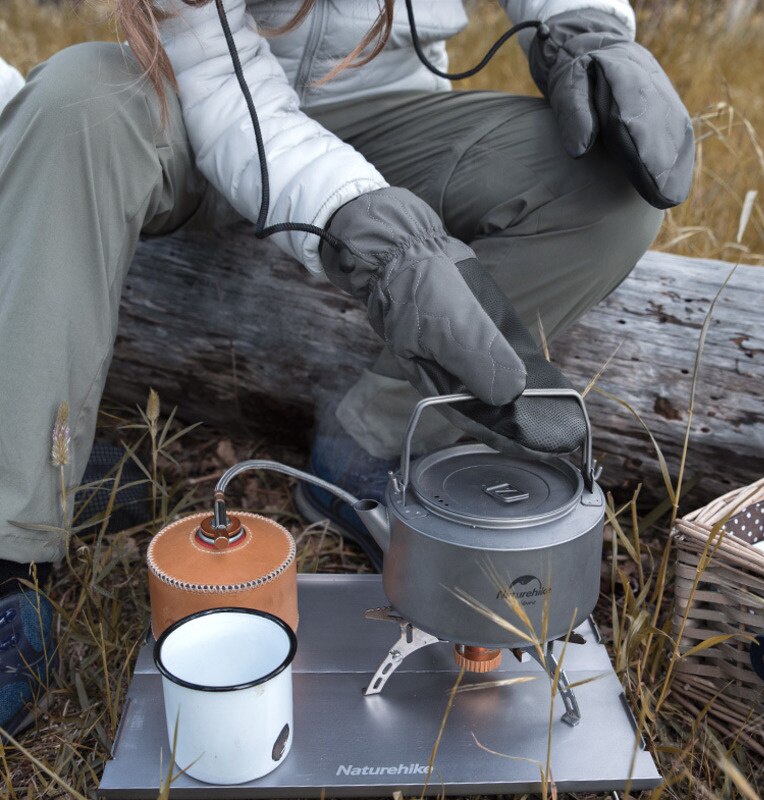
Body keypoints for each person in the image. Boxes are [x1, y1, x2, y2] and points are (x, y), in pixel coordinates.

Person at [0, 0, 693, 736]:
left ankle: (375, 437)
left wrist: (583, 30)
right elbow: (220, 79)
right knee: (77, 99)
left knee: (606, 188)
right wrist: (371, 230)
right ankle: (14, 544)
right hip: (185, 99)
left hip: (390, 111)